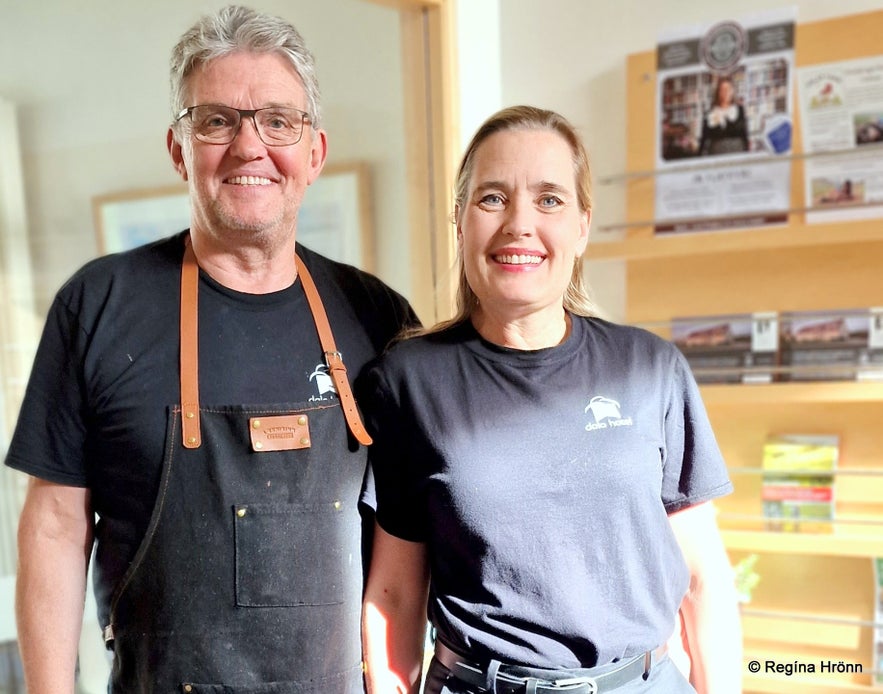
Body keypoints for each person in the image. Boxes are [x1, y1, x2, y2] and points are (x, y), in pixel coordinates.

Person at [7, 5, 417, 692]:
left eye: (277, 121)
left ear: (313, 153)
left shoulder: (377, 317)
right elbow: (53, 526)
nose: (248, 146)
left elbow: (405, 541)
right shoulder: (99, 304)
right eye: (216, 120)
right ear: (179, 149)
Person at [358, 105, 742, 694]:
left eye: (549, 200)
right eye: (491, 199)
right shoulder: (408, 382)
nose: (518, 224)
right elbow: (395, 594)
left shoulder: (649, 367)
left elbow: (702, 579)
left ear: (582, 226)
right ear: (459, 221)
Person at [698, 76, 748, 156]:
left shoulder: (740, 110)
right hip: (717, 154)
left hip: (737, 152)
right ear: (718, 92)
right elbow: (704, 138)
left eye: (728, 89)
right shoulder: (710, 113)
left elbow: (744, 134)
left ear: (732, 91)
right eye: (723, 90)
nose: (726, 92)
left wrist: (747, 153)